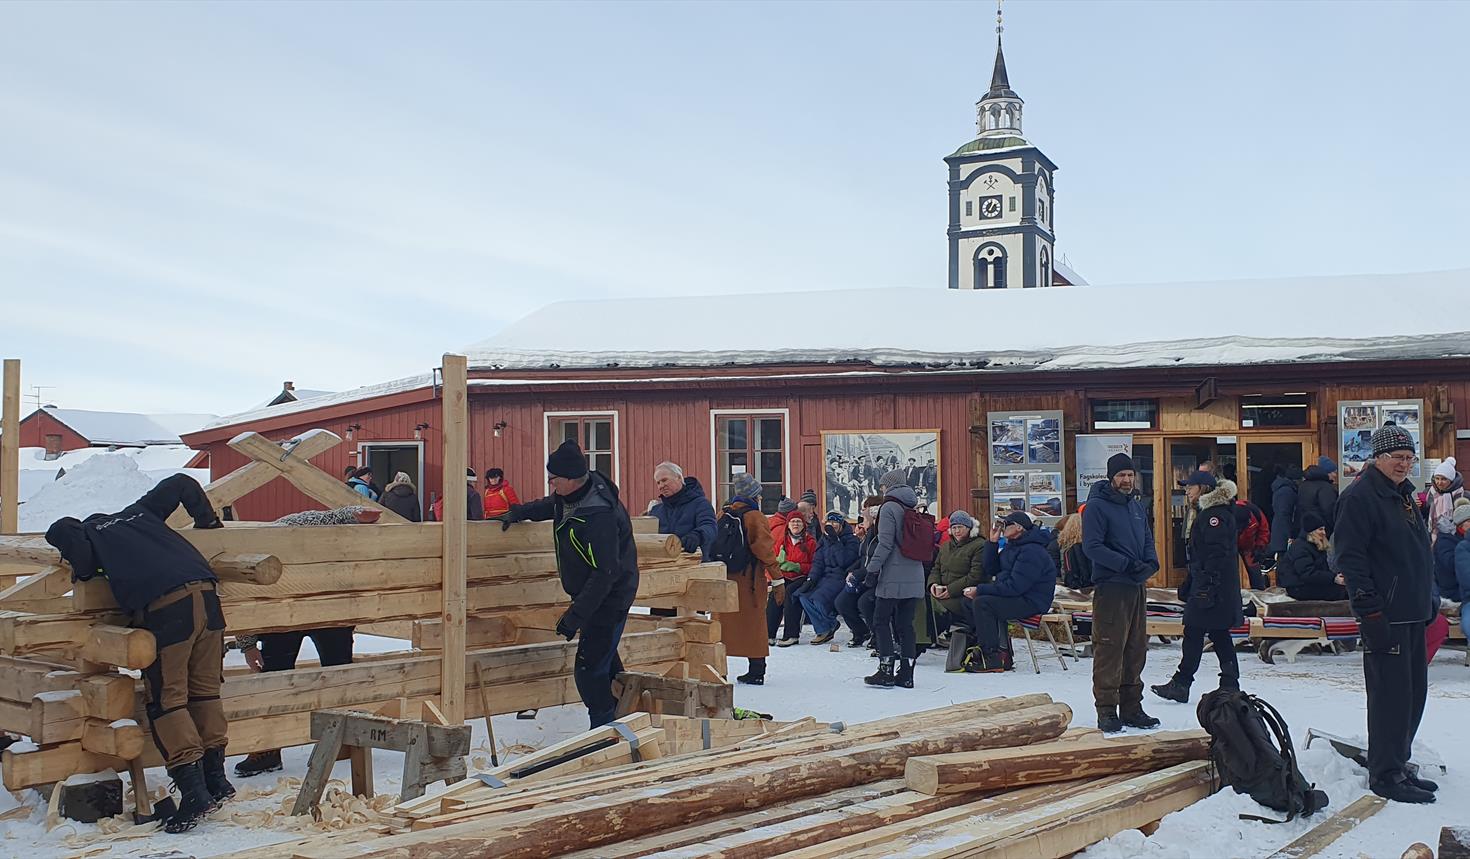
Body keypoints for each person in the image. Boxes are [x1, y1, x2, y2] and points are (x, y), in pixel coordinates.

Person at [44, 474, 230, 833]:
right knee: (205, 691)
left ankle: (194, 793)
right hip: (209, 600)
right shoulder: (141, 513)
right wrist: (209, 523)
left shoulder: (91, 536)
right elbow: (180, 482)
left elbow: (79, 560)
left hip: (169, 610)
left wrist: (78, 555)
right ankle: (216, 781)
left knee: (168, 700)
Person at [498, 439, 639, 727]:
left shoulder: (597, 515)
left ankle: (603, 730)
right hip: (594, 595)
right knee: (604, 660)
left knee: (589, 670)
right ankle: (622, 717)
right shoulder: (576, 495)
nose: (551, 484)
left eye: (554, 479)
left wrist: (575, 616)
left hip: (609, 597)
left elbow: (605, 573)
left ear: (573, 479)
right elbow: (553, 504)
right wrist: (519, 512)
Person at [234, 506, 381, 778]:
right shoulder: (257, 550)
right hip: (281, 614)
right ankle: (267, 748)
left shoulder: (306, 524)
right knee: (274, 680)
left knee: (338, 675)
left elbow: (339, 515)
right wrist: (248, 645)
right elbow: (243, 598)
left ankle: (340, 741)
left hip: (330, 608)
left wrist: (358, 513)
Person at [1334, 424, 1436, 804]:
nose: (1404, 465)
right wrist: (1370, 612)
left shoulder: (1404, 496)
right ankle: (1385, 773)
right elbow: (1351, 559)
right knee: (1389, 697)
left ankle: (1399, 761)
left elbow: (1416, 554)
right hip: (1386, 614)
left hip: (1412, 612)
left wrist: (1427, 600)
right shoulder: (1361, 497)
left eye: (1409, 459)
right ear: (1377, 458)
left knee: (1412, 695)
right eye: (1397, 458)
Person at [1082, 452, 1161, 733]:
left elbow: (1147, 538)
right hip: (1111, 586)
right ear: (1111, 478)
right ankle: (1106, 709)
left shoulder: (1135, 506)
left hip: (1136, 587)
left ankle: (1131, 707)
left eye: (1130, 475)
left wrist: (1151, 563)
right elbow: (1092, 547)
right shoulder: (1096, 507)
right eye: (1121, 475)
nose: (1127, 480)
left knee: (1136, 648)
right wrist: (1126, 565)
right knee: (1109, 648)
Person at [1151, 474, 1242, 702]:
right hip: (1210, 588)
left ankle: (1183, 683)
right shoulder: (1210, 513)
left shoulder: (1214, 516)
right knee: (1217, 633)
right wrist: (1189, 585)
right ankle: (1226, 683)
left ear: (1203, 488)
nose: (1187, 492)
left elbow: (1216, 555)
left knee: (1195, 631)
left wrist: (1204, 587)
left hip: (1212, 590)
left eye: (1190, 487)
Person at [962, 511, 1057, 672]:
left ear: (1018, 528)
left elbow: (1016, 586)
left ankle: (991, 657)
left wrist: (980, 590)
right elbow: (992, 569)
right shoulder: (1013, 547)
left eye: (1005, 525)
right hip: (1018, 595)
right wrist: (992, 543)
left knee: (983, 603)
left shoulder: (1032, 551)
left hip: (1032, 600)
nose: (1002, 528)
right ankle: (996, 651)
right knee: (968, 601)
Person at [864, 470, 926, 689]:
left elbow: (885, 544)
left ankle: (886, 671)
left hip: (892, 575)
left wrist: (872, 570)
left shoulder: (889, 507)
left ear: (888, 486)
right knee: (905, 624)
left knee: (881, 621)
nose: (881, 490)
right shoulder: (911, 506)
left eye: (882, 486)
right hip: (915, 573)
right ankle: (907, 674)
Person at [718, 472, 776, 685]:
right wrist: (777, 578)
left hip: (725, 580)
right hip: (749, 579)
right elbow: (765, 550)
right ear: (754, 496)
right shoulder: (755, 517)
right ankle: (756, 671)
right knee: (754, 625)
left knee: (722, 627)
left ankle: (719, 672)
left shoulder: (724, 514)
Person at [796, 511, 861, 646]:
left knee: (818, 599)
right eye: (829, 522)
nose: (832, 525)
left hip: (840, 577)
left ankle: (828, 625)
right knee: (804, 596)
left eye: (835, 522)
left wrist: (835, 541)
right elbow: (818, 562)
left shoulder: (851, 540)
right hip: (824, 577)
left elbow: (844, 561)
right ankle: (825, 627)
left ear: (841, 524)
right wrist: (811, 579)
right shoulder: (823, 540)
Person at [927, 510, 986, 636]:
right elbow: (936, 568)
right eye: (954, 528)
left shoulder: (979, 545)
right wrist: (933, 584)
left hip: (962, 594)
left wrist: (950, 590)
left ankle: (922, 643)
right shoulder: (945, 546)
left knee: (934, 611)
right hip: (942, 592)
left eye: (960, 527)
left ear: (969, 528)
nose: (957, 531)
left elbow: (975, 576)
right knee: (921, 604)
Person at [834, 498, 882, 648]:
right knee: (841, 602)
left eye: (865, 510)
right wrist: (851, 571)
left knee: (865, 602)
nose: (862, 516)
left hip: (878, 579)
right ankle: (860, 631)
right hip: (863, 577)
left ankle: (877, 635)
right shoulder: (868, 534)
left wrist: (858, 574)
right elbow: (863, 557)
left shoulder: (881, 534)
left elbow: (876, 561)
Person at [1276, 512, 1348, 601]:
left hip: (1307, 584)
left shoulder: (1314, 545)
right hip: (1298, 587)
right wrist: (1333, 578)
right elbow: (1306, 573)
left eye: (1324, 529)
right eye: (1320, 529)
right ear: (1311, 531)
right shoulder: (1300, 547)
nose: (1324, 533)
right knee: (1341, 592)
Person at [649, 461, 717, 556]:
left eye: (664, 480)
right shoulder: (656, 511)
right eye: (658, 483)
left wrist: (697, 535)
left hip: (693, 563)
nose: (661, 486)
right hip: (662, 565)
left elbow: (710, 527)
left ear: (679, 478)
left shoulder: (700, 504)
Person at [771, 513, 818, 645]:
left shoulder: (810, 542)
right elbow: (772, 560)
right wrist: (778, 562)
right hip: (784, 575)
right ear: (788, 525)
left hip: (803, 577)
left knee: (790, 593)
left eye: (798, 522)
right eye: (792, 522)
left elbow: (815, 565)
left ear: (803, 525)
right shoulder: (782, 541)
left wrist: (797, 567)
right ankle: (769, 634)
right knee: (776, 593)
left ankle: (791, 635)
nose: (795, 524)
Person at [1422, 458, 1465, 548]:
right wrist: (1420, 506)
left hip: (1454, 536)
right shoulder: (1429, 492)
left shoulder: (1462, 495)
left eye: (1444, 479)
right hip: (1431, 534)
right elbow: (1424, 515)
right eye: (1437, 478)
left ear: (1451, 480)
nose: (1439, 482)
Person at [1434, 499, 1470, 603]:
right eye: (1469, 521)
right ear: (1460, 524)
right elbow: (1453, 564)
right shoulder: (1445, 540)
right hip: (1452, 590)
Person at [1297, 457, 1339, 538]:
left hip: (1305, 529)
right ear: (1327, 472)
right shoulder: (1326, 488)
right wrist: (1335, 527)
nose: (1335, 475)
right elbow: (1329, 510)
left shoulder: (1303, 485)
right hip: (1321, 531)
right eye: (1334, 472)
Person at [1268, 465, 1300, 561]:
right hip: (1283, 535)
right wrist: (1289, 534)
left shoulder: (1283, 489)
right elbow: (1284, 514)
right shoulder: (1287, 491)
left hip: (1280, 533)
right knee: (1284, 564)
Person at [1058, 511, 1093, 590]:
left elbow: (1066, 568)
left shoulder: (1067, 548)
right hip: (1093, 583)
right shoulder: (1092, 545)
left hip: (1075, 584)